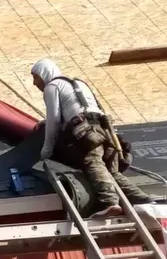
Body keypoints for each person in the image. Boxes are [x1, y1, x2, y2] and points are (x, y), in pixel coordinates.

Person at [31, 58, 150, 216]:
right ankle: (142, 199)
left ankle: (110, 202)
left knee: (92, 162)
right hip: (104, 130)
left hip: (86, 131)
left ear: (44, 73)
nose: (34, 83)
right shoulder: (80, 83)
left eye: (35, 77)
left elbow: (54, 121)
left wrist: (47, 150)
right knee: (110, 171)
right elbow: (85, 107)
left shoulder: (52, 86)